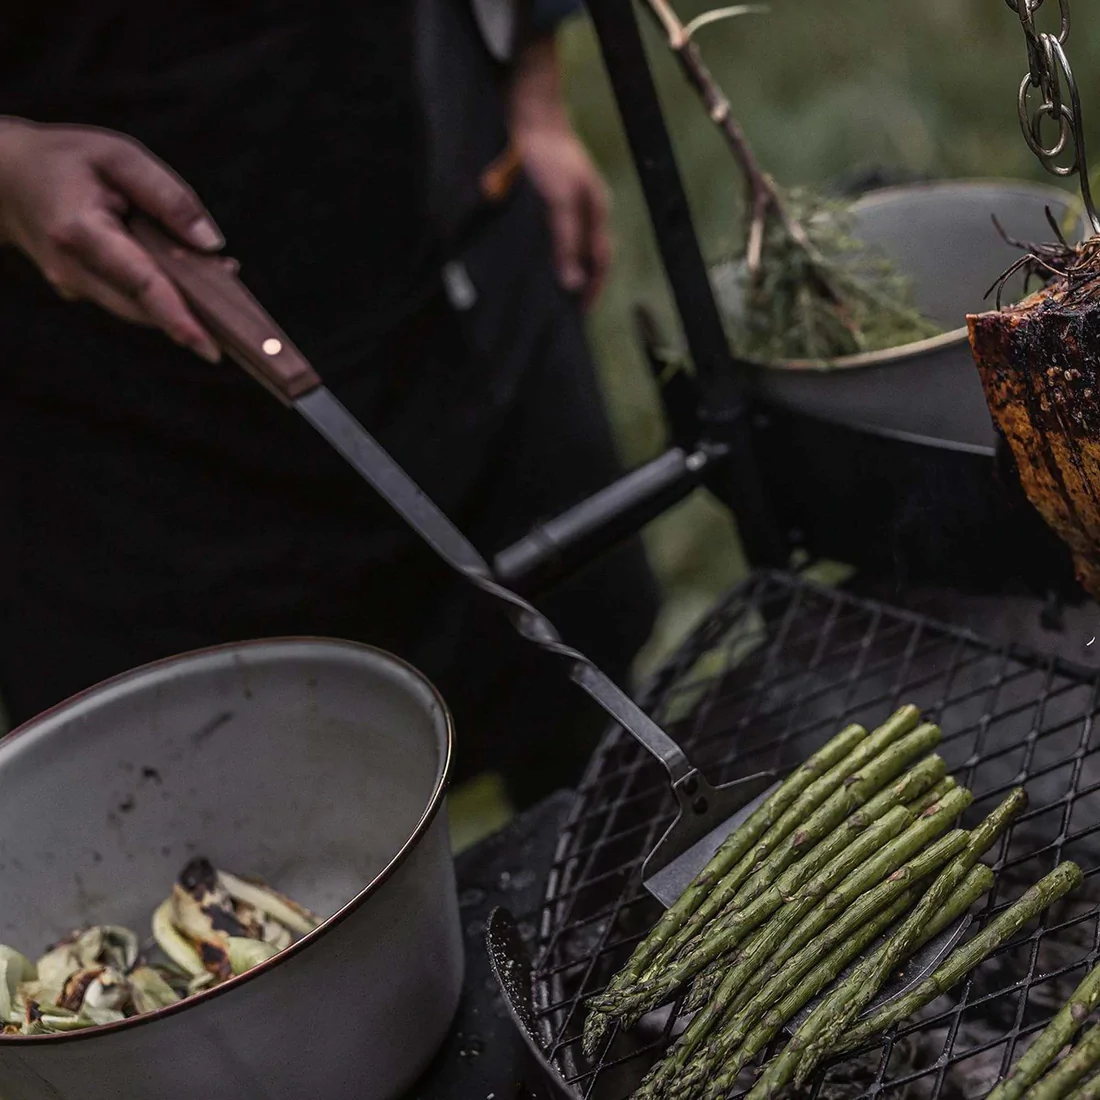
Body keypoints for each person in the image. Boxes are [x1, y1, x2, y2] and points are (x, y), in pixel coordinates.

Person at [0, 0, 659, 807]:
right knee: (201, 834)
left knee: (592, 735)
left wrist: (534, 93)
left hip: (458, 254)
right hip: (120, 409)